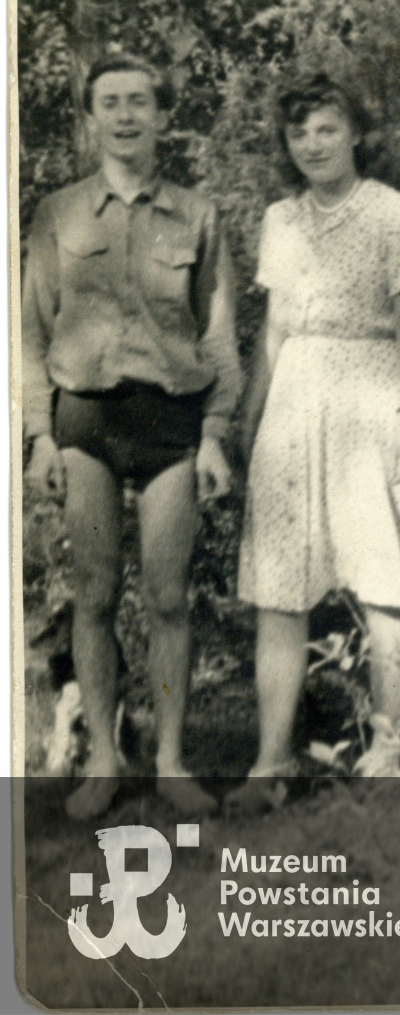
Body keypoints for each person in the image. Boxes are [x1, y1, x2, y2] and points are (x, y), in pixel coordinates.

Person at [22, 56, 242, 820]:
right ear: (90, 118)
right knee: (91, 592)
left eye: (138, 103)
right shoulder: (58, 213)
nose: (124, 116)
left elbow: (219, 336)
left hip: (169, 422)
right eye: (109, 103)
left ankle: (174, 761)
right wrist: (39, 436)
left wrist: (215, 432)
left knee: (169, 595)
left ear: (162, 117)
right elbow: (28, 333)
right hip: (84, 422)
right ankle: (107, 760)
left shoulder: (198, 213)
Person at [232, 73, 400, 806]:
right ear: (287, 146)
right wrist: (249, 423)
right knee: (280, 591)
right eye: (299, 133)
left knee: (384, 581)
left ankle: (387, 750)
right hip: (293, 402)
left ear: (355, 132)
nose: (313, 143)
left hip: (372, 395)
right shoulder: (281, 219)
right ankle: (272, 762)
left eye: (326, 127)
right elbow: (277, 327)